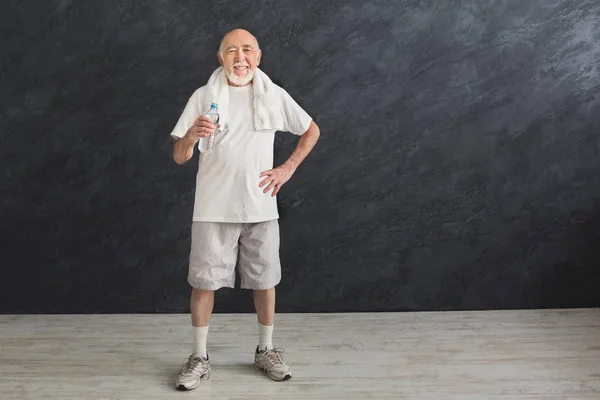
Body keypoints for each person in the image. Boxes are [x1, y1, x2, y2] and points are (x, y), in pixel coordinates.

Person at [169, 28, 320, 390]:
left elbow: (311, 129)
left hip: (261, 207)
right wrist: (191, 136)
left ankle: (265, 350)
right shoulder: (204, 96)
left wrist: (287, 168)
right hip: (212, 207)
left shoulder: (273, 95)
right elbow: (178, 157)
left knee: (265, 281)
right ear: (220, 58)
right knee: (204, 283)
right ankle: (199, 357)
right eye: (232, 50)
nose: (240, 57)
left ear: (258, 56)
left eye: (247, 50)